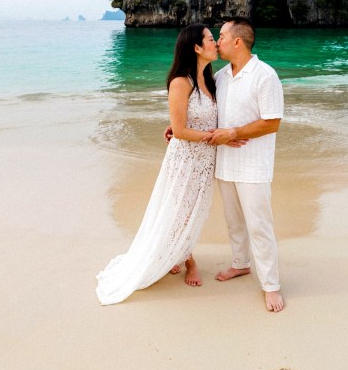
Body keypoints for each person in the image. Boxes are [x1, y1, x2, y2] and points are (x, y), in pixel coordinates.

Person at [96, 24, 240, 305]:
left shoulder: (211, 81)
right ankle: (188, 260)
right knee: (179, 210)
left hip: (204, 161)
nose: (215, 44)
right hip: (185, 159)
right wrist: (218, 138)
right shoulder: (180, 81)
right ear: (197, 48)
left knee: (193, 211)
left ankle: (176, 252)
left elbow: (189, 121)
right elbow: (182, 130)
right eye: (211, 40)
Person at [208, 17, 285, 312]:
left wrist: (235, 133)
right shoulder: (222, 75)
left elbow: (272, 122)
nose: (218, 41)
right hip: (225, 163)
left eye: (222, 36)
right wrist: (177, 128)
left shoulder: (265, 75)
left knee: (259, 226)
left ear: (237, 41)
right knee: (234, 222)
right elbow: (206, 110)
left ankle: (271, 285)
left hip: (254, 166)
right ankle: (240, 264)